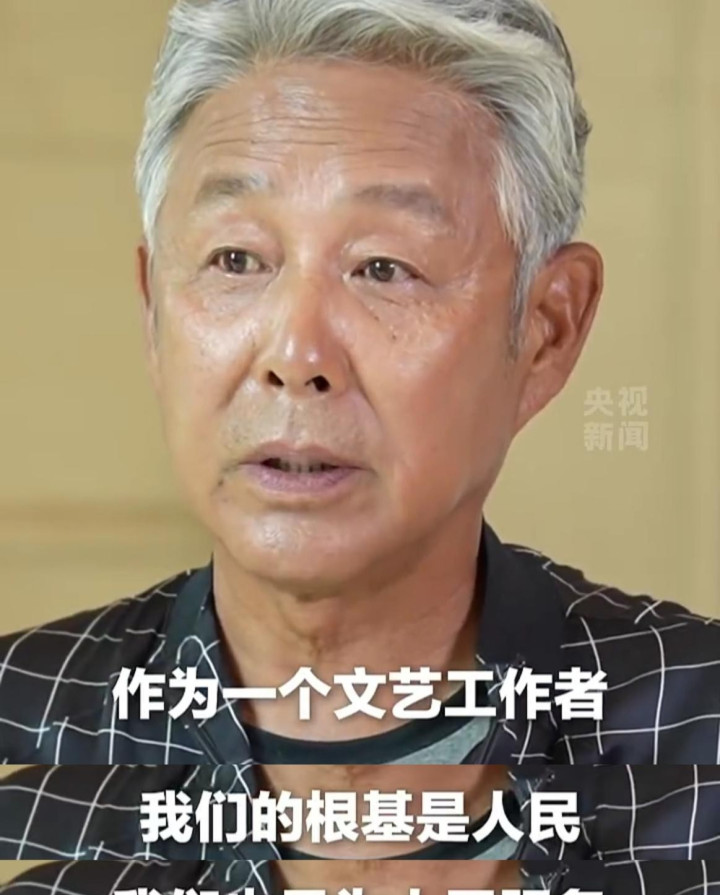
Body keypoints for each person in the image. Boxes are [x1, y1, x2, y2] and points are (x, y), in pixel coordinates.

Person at [0, 0, 718, 767]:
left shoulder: (692, 738)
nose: (296, 355)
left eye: (384, 268)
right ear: (153, 313)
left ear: (546, 329)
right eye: (236, 260)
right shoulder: (30, 733)